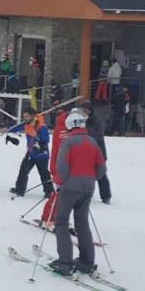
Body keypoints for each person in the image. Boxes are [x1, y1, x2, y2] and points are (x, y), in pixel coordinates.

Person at [47, 110, 107, 276]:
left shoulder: (68, 142)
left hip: (70, 187)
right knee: (82, 223)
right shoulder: (93, 142)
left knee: (61, 222)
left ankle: (65, 261)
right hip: (88, 188)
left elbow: (62, 166)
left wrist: (59, 181)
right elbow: (102, 168)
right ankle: (87, 261)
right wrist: (90, 179)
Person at [7, 107, 53, 199]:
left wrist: (36, 136)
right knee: (23, 171)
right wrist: (8, 129)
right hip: (31, 152)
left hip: (41, 154)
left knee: (44, 173)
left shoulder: (42, 126)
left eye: (27, 116)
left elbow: (46, 140)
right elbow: (17, 127)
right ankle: (20, 189)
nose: (25, 118)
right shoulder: (26, 124)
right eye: (24, 117)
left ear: (32, 116)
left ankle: (49, 191)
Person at [79, 101, 112, 203]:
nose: (82, 113)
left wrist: (84, 134)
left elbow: (97, 136)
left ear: (89, 111)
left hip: (98, 152)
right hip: (86, 152)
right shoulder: (81, 120)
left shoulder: (97, 120)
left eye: (84, 111)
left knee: (101, 174)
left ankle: (106, 196)